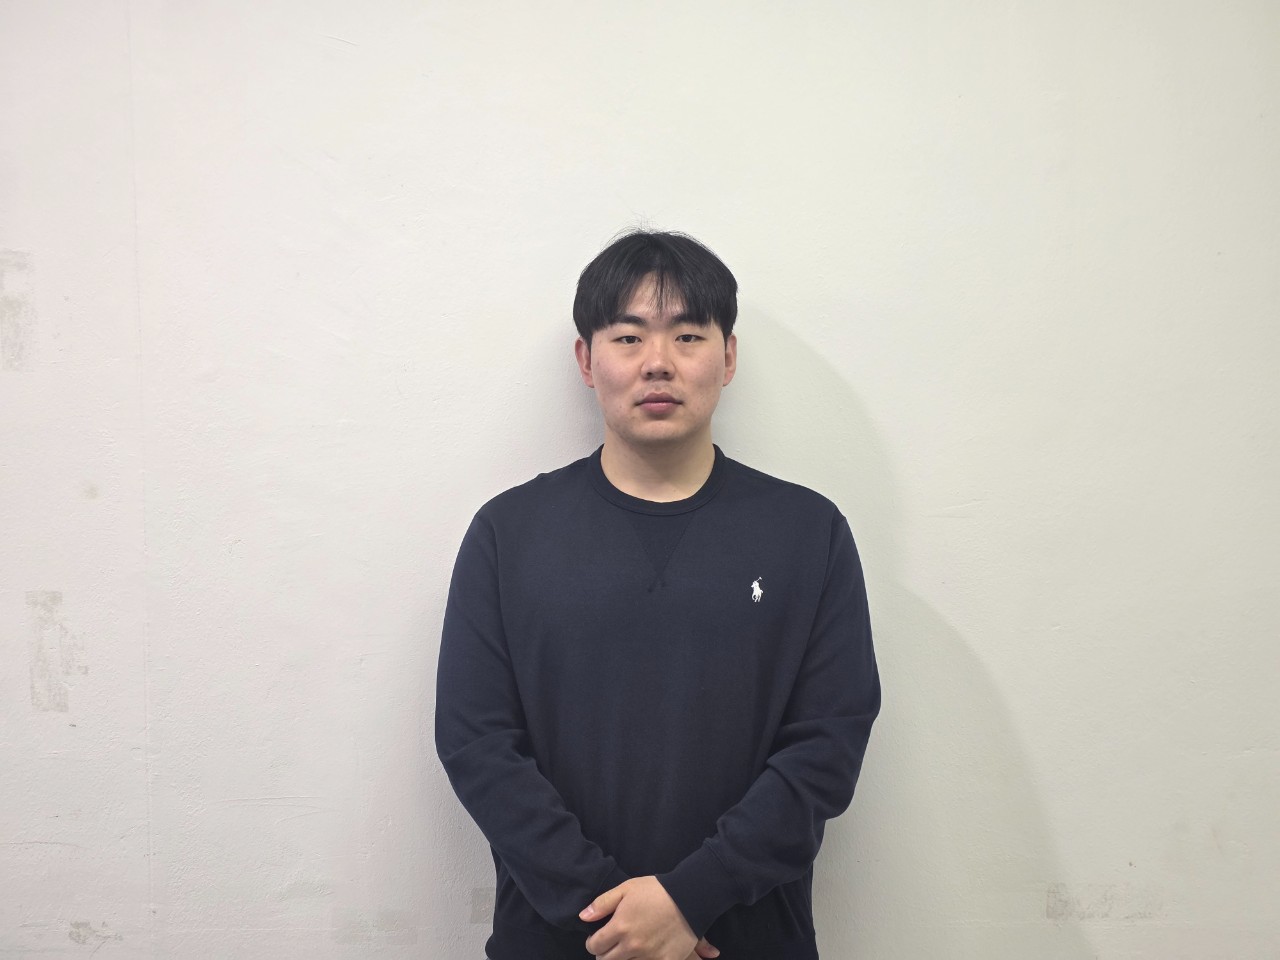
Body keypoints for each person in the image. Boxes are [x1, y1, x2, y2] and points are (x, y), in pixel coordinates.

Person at [435, 231, 880, 960]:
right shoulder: (508, 533)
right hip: (557, 942)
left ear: (728, 357)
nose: (658, 362)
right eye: (628, 336)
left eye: (688, 335)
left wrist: (693, 896)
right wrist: (610, 914)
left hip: (746, 938)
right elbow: (475, 741)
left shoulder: (808, 531)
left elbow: (829, 742)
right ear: (586, 361)